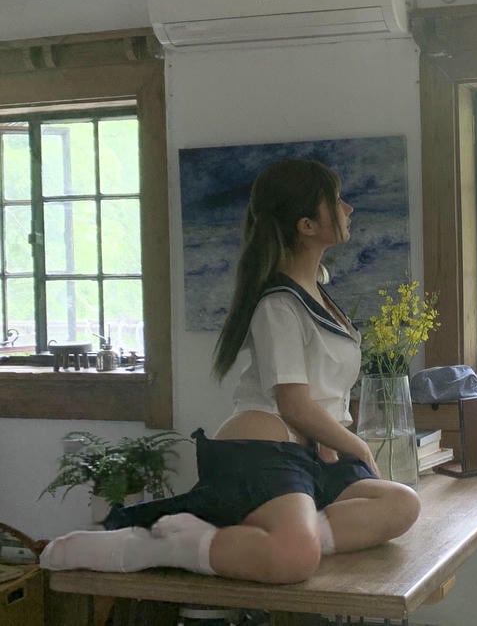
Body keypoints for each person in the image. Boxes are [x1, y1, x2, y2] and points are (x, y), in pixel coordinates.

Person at [41, 158, 421, 583]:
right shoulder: (279, 304)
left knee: (402, 505)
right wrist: (359, 447)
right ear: (306, 225)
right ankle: (164, 544)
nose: (348, 208)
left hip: (317, 453)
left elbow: (325, 395)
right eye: (336, 200)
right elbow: (293, 404)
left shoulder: (318, 292)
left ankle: (276, 534)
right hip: (269, 449)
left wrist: (338, 443)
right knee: (295, 559)